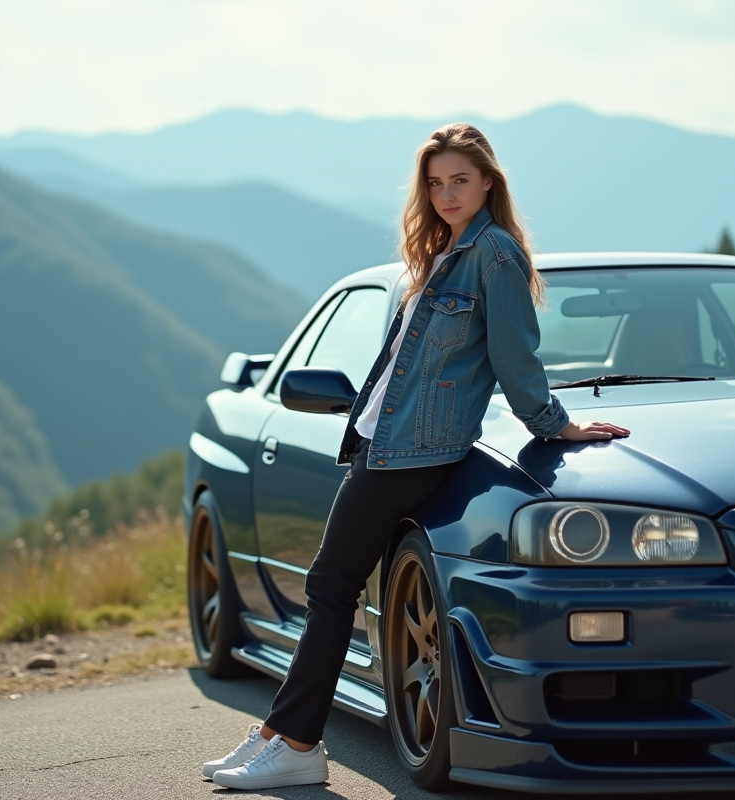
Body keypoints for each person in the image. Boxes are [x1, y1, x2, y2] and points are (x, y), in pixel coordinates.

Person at [204, 123, 630, 790]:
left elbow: (515, 357)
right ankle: (276, 735)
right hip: (383, 444)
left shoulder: (495, 255)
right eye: (436, 183)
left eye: (460, 180)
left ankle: (296, 742)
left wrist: (557, 425)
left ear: (487, 182)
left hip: (415, 453)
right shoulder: (442, 254)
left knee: (330, 587)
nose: (447, 194)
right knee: (331, 587)